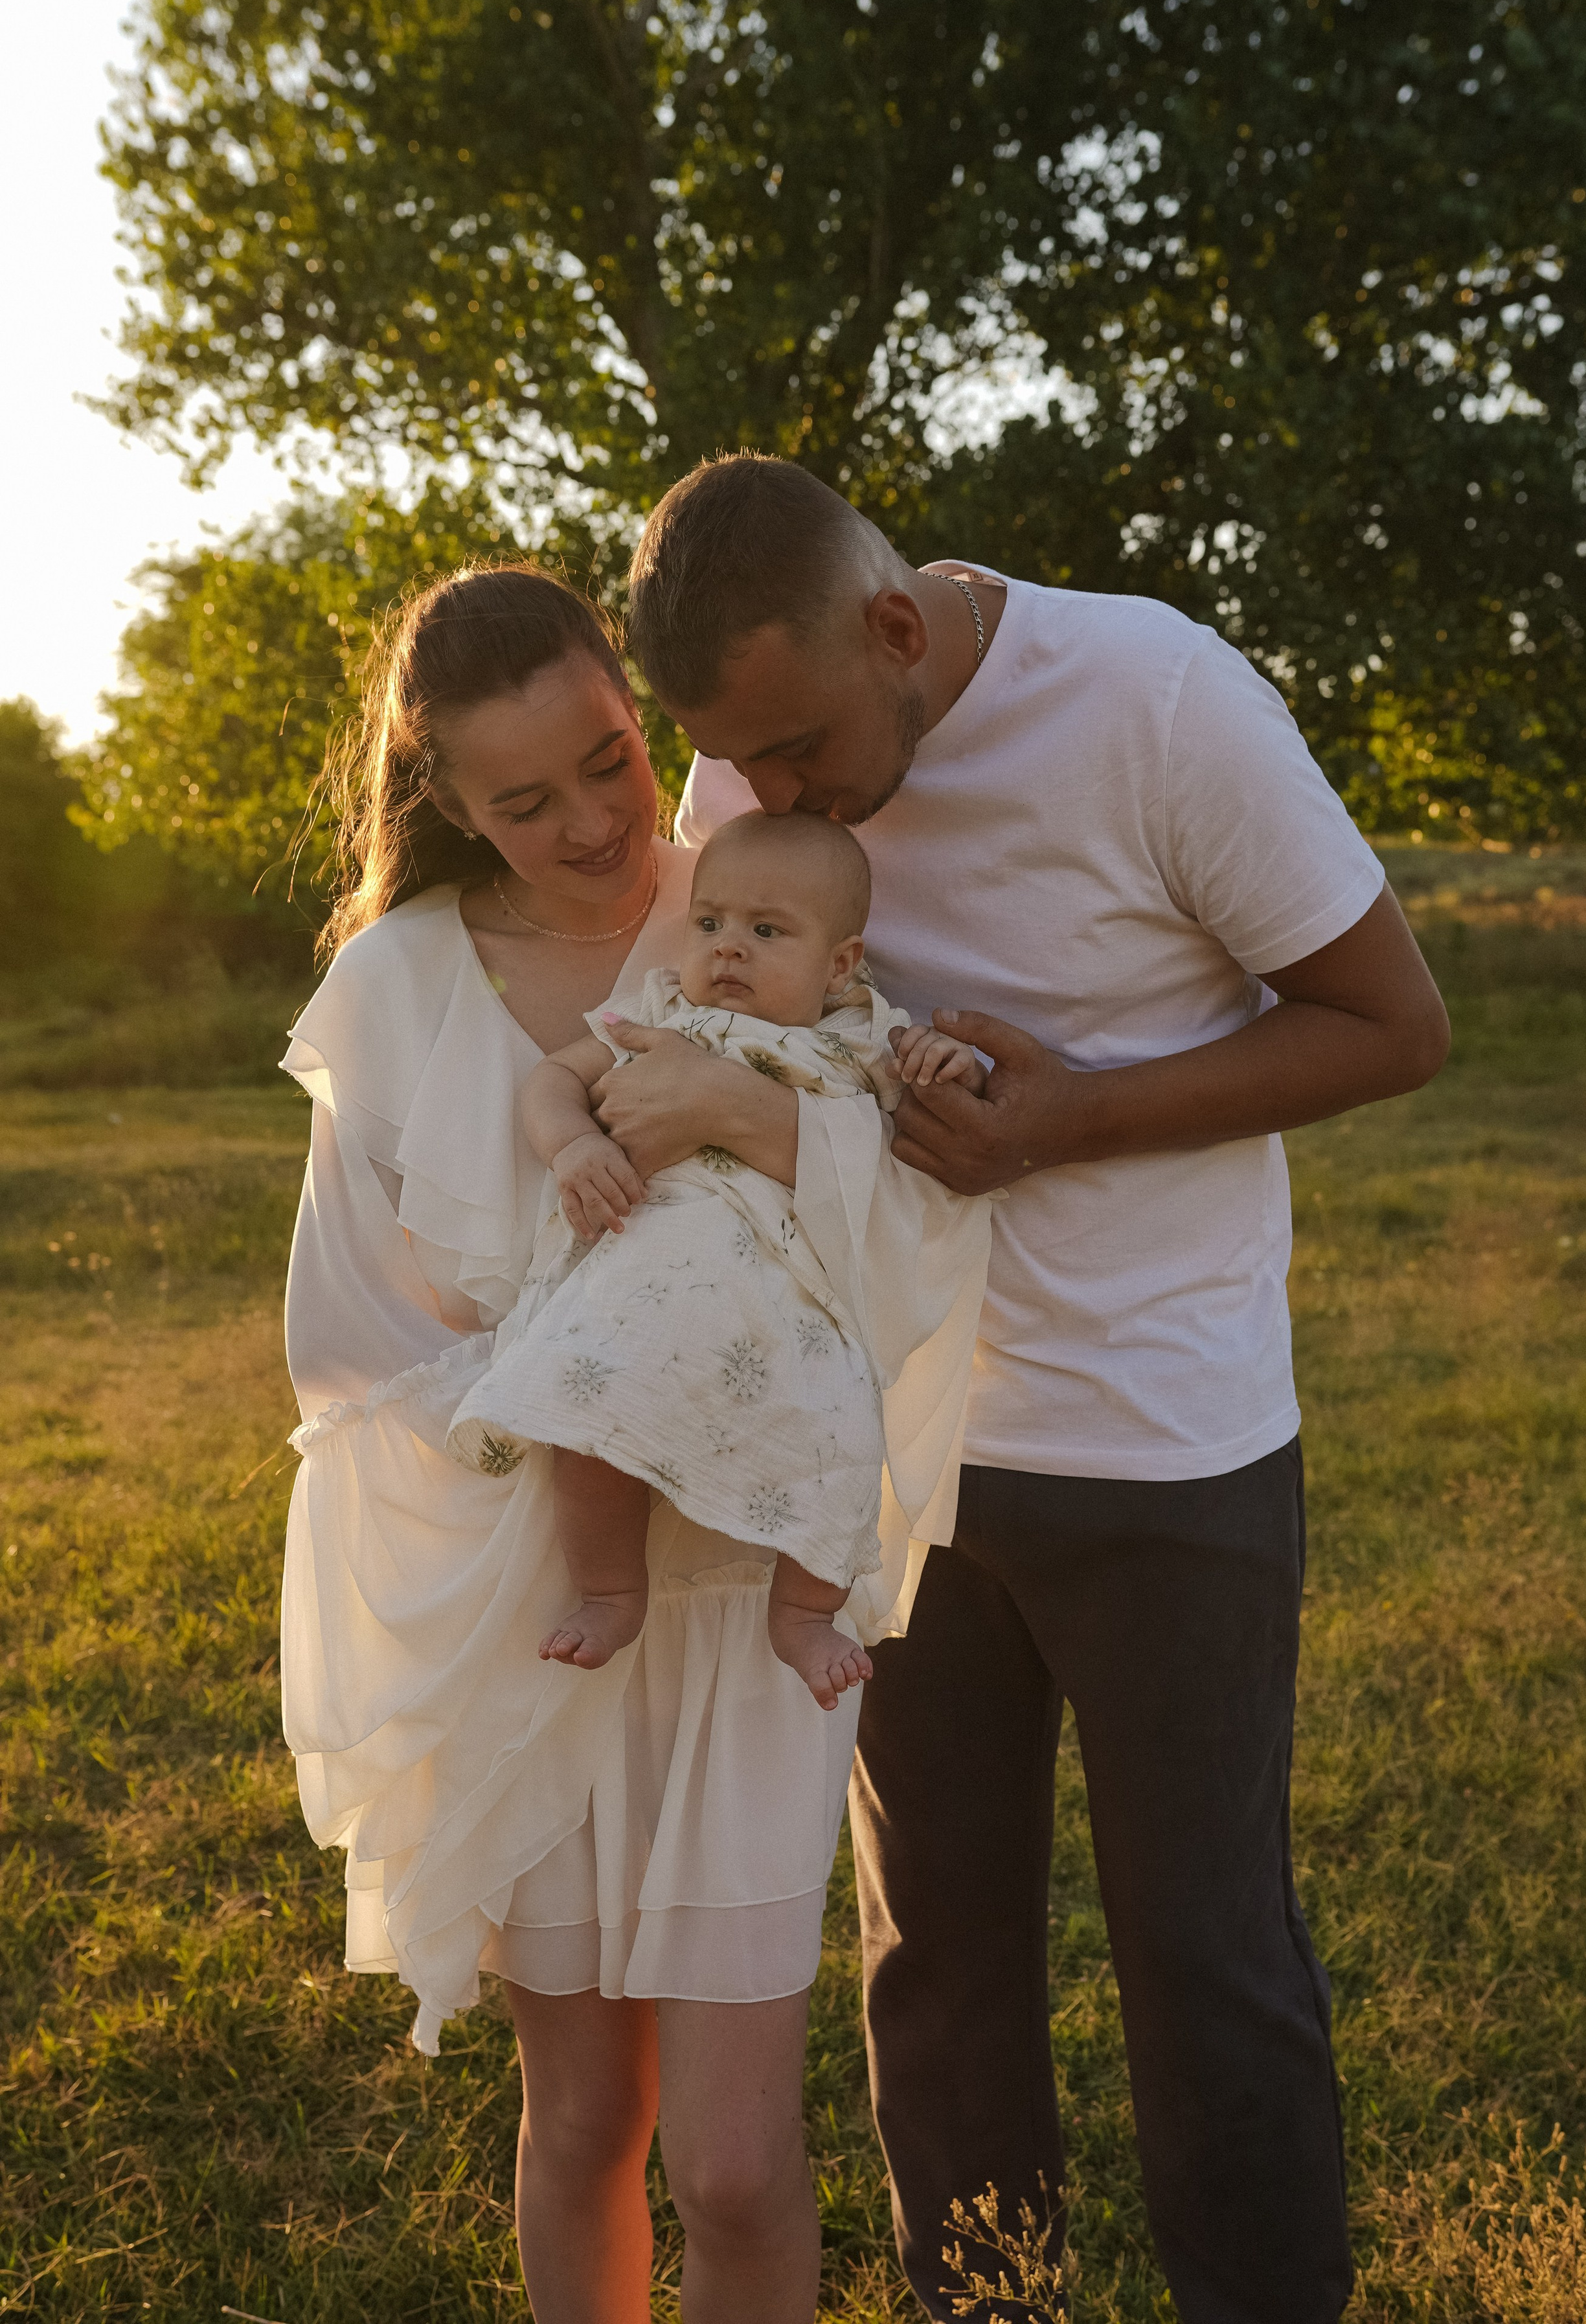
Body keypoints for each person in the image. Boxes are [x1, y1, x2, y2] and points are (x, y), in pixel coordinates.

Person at [615, 453, 1452, 2324]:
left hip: (1169, 1452)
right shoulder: (756, 755)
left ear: (897, 628)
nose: (778, 805)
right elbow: (726, 1021)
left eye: (805, 754)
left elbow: (1396, 1027)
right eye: (740, 770)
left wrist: (1068, 1119)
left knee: (1207, 1959)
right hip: (904, 1459)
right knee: (940, 1971)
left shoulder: (1160, 703)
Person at [277, 561, 986, 2324]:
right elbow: (348, 1351)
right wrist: (571, 1395)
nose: (596, 821)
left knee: (736, 2164)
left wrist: (749, 1123)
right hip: (537, 1605)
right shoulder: (391, 989)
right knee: (585, 2109)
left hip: (750, 1600)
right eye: (527, 799)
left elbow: (917, 1237)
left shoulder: (757, 913)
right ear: (441, 798)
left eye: (611, 759)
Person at [444, 809, 986, 1708]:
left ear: (840, 964)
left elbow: (936, 1117)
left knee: (841, 1436)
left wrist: (944, 1062)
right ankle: (613, 1589)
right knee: (584, 1416)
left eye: (766, 931)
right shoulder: (664, 1012)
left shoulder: (864, 1039)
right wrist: (574, 1147)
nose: (728, 949)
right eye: (711, 923)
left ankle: (805, 1612)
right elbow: (551, 1081)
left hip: (795, 1305)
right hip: (647, 1277)